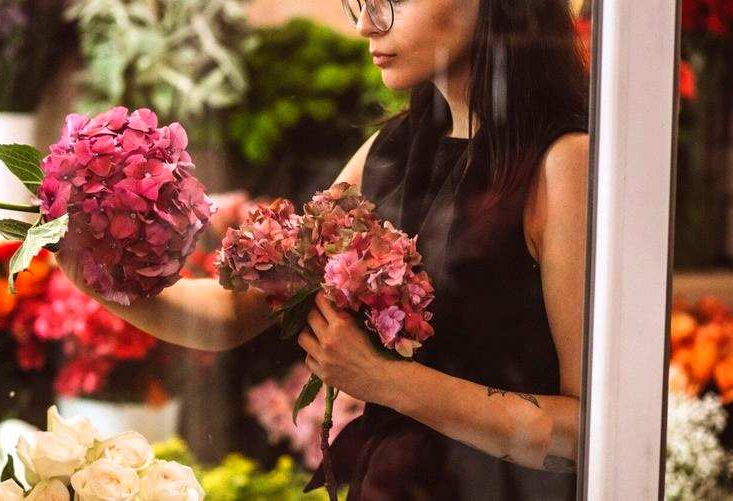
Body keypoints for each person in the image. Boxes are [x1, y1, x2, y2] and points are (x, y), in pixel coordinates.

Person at [56, 0, 590, 498]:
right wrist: (93, 270)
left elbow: (584, 431)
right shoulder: (388, 153)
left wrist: (388, 382)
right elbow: (232, 313)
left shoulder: (565, 163)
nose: (365, 24)